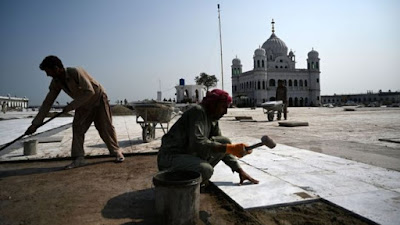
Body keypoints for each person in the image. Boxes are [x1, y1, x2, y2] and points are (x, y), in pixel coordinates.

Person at [25, 55, 125, 169]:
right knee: (77, 127)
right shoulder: (56, 82)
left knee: (104, 127)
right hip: (82, 102)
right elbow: (47, 103)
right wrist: (35, 124)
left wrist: (70, 107)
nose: (48, 75)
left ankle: (116, 151)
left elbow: (89, 92)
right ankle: (79, 158)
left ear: (57, 68)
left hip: (98, 99)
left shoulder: (75, 72)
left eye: (48, 71)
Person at [157, 89, 259, 185]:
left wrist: (239, 170)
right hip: (170, 158)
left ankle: (195, 178)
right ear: (213, 104)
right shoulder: (198, 112)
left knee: (224, 141)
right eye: (223, 107)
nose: (225, 111)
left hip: (187, 154)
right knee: (206, 170)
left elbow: (223, 147)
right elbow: (197, 142)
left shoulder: (213, 118)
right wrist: (230, 148)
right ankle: (180, 185)